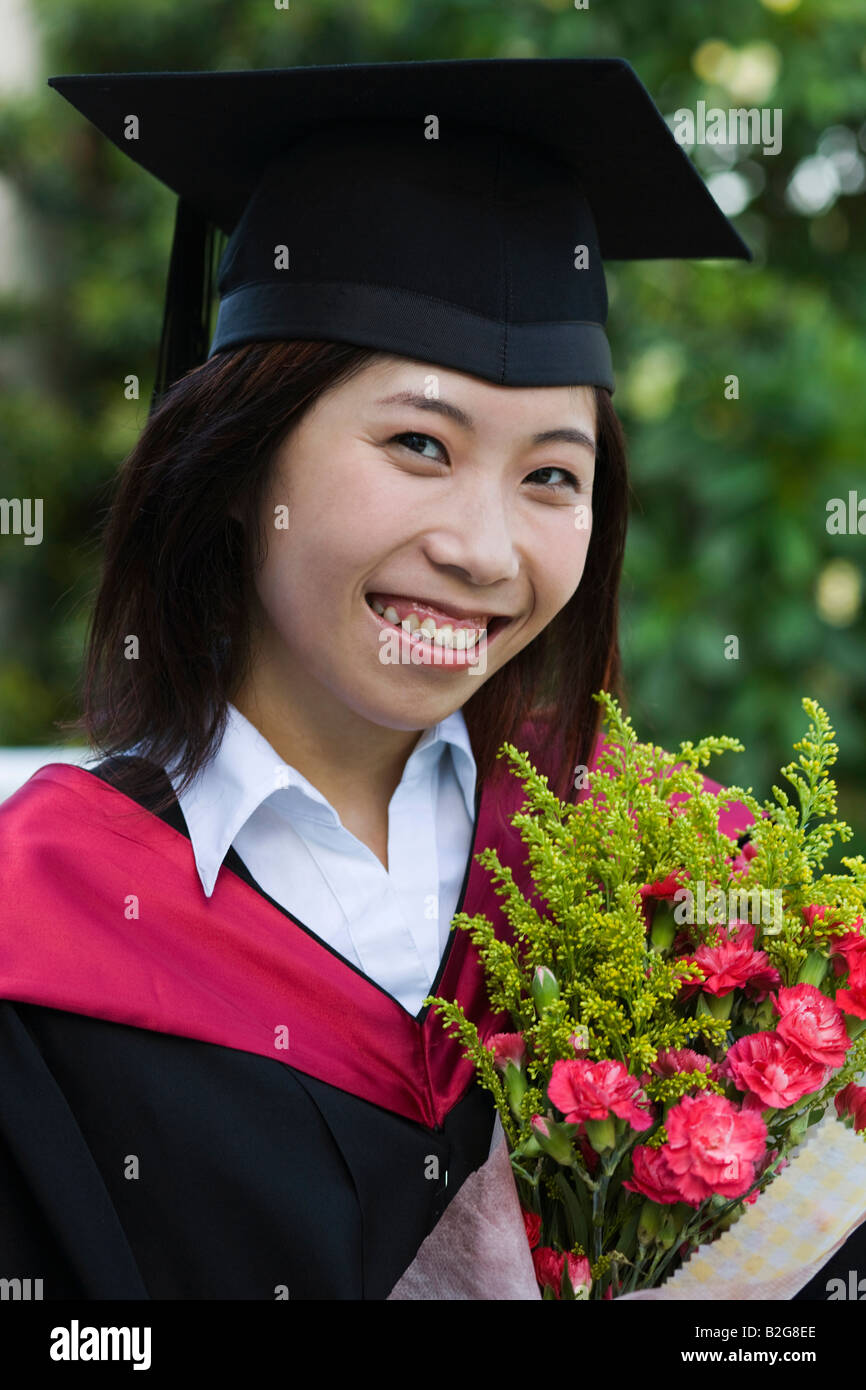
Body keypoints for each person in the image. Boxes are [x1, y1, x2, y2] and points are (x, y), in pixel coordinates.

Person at [0, 56, 778, 1301]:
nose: (481, 548)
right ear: (241, 462)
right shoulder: (41, 928)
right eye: (419, 443)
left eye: (551, 477)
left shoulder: (659, 877)